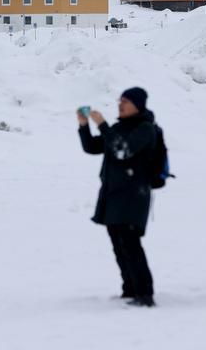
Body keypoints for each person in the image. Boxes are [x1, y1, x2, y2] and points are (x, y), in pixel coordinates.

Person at [78, 87, 157, 307]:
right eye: (119, 100)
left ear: (138, 105)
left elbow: (123, 150)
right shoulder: (119, 127)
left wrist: (102, 125)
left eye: (125, 101)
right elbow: (92, 147)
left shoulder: (145, 129)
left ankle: (145, 293)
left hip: (134, 196)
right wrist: (84, 126)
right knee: (118, 243)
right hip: (113, 195)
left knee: (130, 244)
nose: (120, 104)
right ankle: (130, 289)